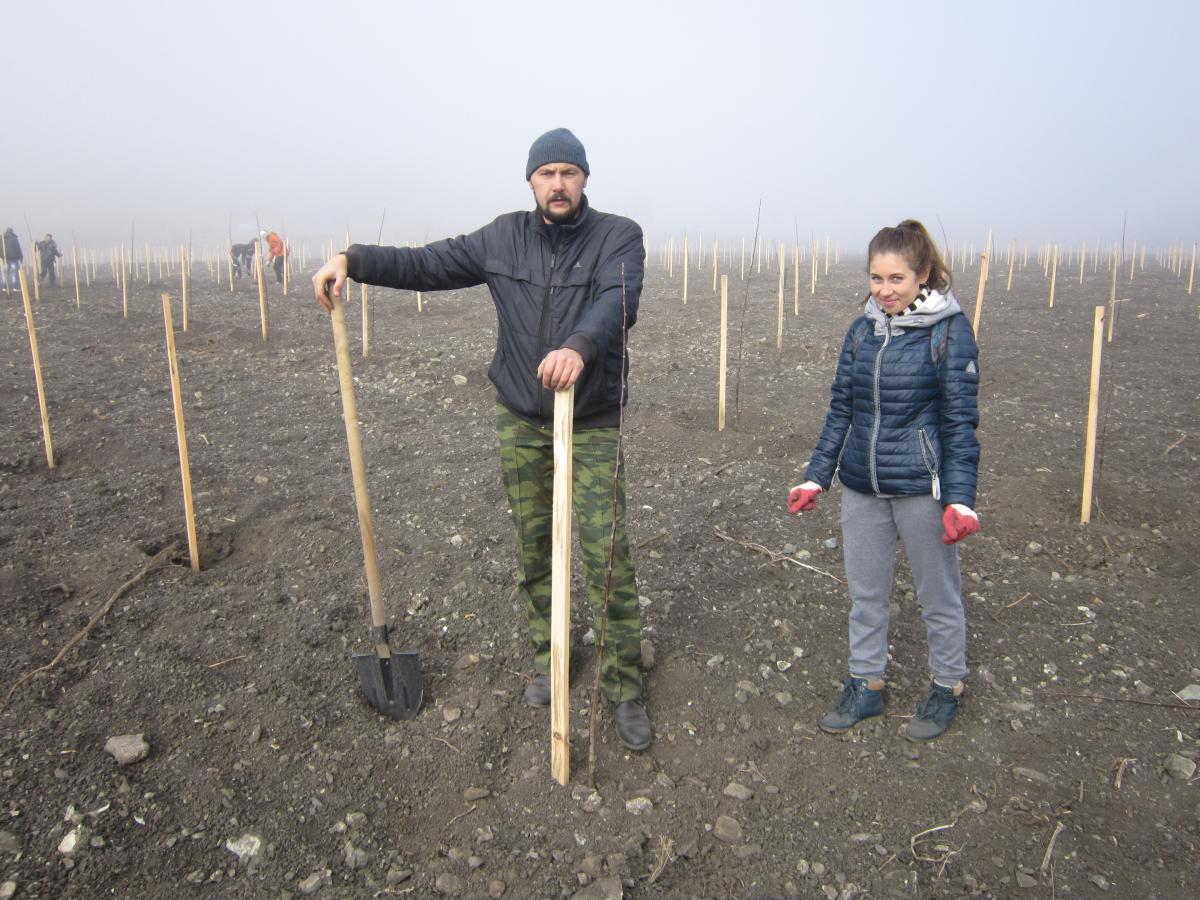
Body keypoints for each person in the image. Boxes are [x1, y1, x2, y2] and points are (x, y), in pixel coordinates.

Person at [311, 128, 652, 750]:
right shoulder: (502, 237)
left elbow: (616, 303)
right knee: (534, 550)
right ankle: (553, 658)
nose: (557, 184)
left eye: (568, 173)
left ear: (584, 180)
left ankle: (624, 683)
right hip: (522, 418)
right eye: (546, 173)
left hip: (592, 419)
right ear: (530, 181)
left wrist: (578, 348)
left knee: (606, 558)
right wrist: (351, 261)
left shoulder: (618, 235)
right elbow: (428, 262)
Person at [789, 219, 981, 742]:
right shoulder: (861, 331)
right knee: (866, 593)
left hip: (922, 488)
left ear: (923, 275)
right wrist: (816, 477)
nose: (885, 290)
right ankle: (865, 685)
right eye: (876, 278)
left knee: (937, 595)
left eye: (896, 278)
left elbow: (959, 423)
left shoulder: (948, 331)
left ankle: (948, 686)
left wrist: (960, 501)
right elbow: (840, 411)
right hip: (862, 486)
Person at [2, 228, 21, 293]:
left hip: (4, 259)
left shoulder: (2, 238)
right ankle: (15, 287)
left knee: (5, 274)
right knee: (14, 274)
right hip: (13, 258)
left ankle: (4, 287)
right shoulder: (13, 238)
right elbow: (17, 248)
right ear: (12, 231)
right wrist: (20, 256)